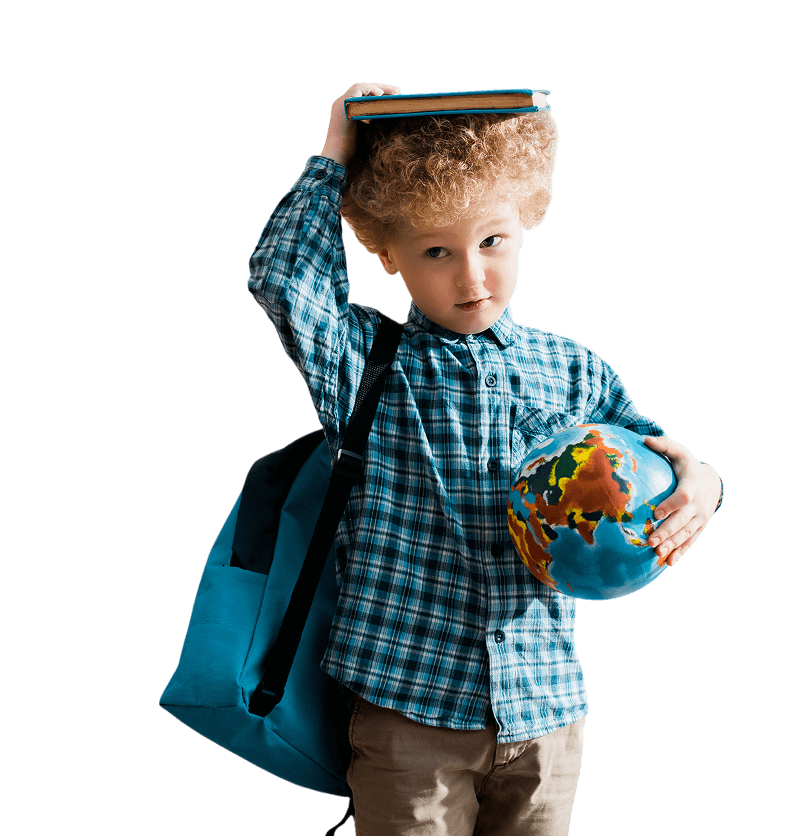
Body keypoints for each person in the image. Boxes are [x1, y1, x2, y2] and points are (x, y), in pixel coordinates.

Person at [247, 81, 723, 836]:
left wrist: (706, 481)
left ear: (529, 222)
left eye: (493, 242)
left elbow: (661, 463)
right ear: (385, 253)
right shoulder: (365, 359)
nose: (471, 278)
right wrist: (336, 150)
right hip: (409, 711)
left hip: (548, 711)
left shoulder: (573, 370)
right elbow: (284, 279)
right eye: (436, 251)